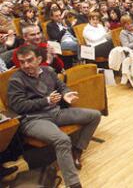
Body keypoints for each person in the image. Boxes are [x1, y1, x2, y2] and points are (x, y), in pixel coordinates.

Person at [8, 44, 101, 188]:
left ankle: (76, 150)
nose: (25, 65)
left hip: (55, 113)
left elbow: (61, 86)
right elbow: (19, 106)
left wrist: (65, 94)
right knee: (62, 140)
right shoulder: (16, 80)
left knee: (94, 115)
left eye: (29, 60)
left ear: (39, 59)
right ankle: (74, 184)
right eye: (22, 62)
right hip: (33, 120)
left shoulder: (48, 71)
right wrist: (46, 100)